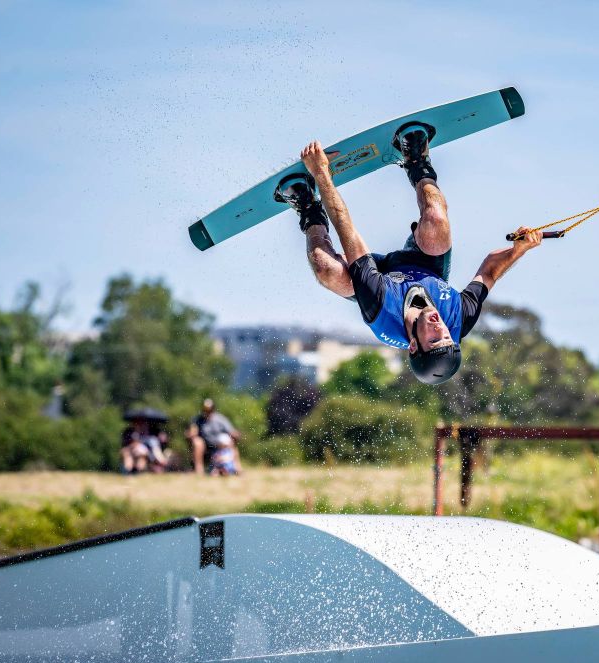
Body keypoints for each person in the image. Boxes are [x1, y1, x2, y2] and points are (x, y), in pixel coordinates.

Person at [275, 132, 543, 385]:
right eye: (447, 337)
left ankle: (308, 207)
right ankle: (417, 162)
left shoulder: (381, 311)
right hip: (425, 265)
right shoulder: (457, 318)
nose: (441, 328)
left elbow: (350, 235)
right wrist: (519, 250)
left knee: (327, 270)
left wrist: (321, 173)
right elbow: (490, 272)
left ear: (414, 346)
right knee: (437, 219)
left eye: (435, 339)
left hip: (377, 280)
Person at [186, 398, 242, 475]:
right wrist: (191, 434)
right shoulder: (197, 420)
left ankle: (237, 469)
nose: (207, 412)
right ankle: (199, 470)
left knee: (231, 442)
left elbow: (232, 431)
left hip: (219, 446)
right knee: (197, 442)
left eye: (209, 410)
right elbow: (191, 433)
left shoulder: (221, 419)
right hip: (205, 446)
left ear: (213, 409)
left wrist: (236, 435)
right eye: (205, 410)